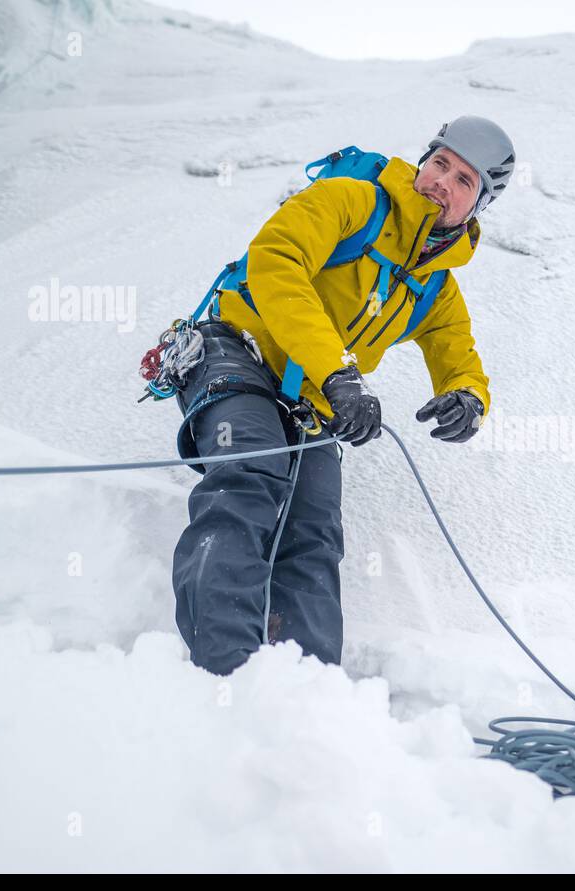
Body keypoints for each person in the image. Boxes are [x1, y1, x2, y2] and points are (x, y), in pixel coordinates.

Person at [171, 116, 515, 675]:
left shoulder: (436, 287)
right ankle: (223, 674)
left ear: (478, 204)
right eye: (440, 163)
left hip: (311, 398)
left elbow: (458, 354)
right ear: (424, 159)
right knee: (251, 473)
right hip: (237, 350)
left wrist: (468, 397)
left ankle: (308, 691)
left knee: (314, 529)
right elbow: (274, 262)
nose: (441, 182)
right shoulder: (349, 202)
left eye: (464, 181)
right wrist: (337, 372)